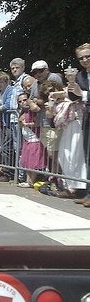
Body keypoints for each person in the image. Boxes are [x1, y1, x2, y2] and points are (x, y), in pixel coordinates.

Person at [69, 43, 90, 206]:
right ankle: (87, 193)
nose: (84, 60)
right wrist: (70, 90)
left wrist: (81, 93)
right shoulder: (81, 75)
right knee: (87, 155)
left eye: (87, 56)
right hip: (86, 118)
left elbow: (82, 94)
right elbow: (75, 96)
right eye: (81, 58)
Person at [17, 92, 46, 187]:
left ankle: (31, 181)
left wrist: (27, 124)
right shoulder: (23, 112)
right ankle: (28, 180)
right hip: (27, 139)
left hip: (35, 138)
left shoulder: (33, 110)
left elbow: (38, 123)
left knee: (33, 162)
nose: (22, 102)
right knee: (27, 161)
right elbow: (20, 125)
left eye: (24, 100)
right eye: (20, 101)